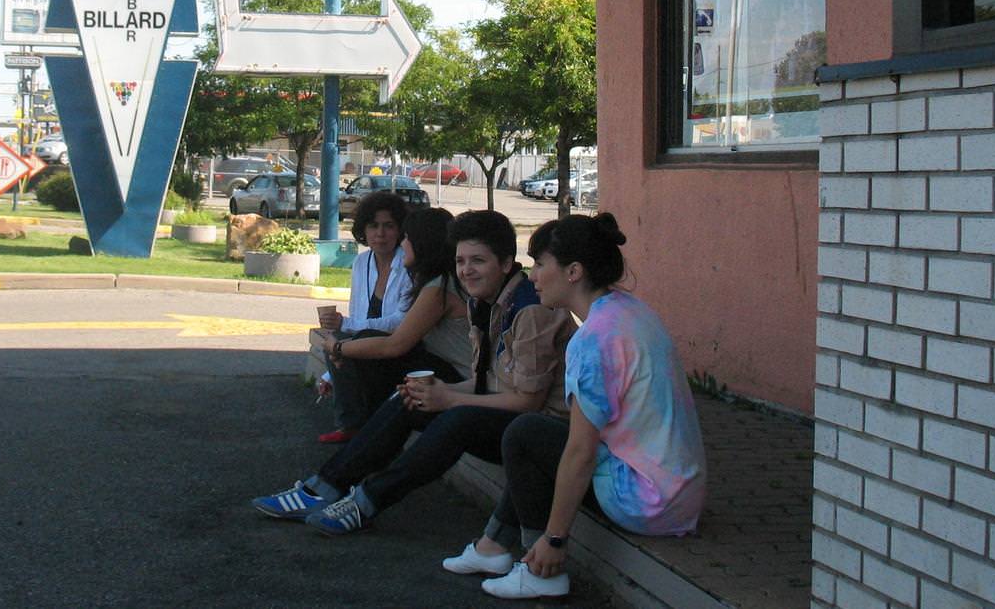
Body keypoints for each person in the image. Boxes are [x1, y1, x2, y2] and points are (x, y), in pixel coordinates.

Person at [253, 210, 577, 537]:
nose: (466, 270)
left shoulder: (530, 309)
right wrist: (438, 392)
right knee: (411, 397)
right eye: (460, 260)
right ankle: (322, 488)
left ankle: (364, 501)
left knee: (455, 417)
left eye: (477, 261)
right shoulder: (487, 302)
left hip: (542, 431)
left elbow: (529, 403)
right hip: (510, 413)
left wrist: (450, 397)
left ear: (506, 263)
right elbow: (490, 380)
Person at [449, 213, 706, 600]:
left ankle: (540, 566)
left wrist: (555, 537)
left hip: (645, 501)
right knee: (541, 434)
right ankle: (493, 545)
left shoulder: (593, 340)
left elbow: (582, 452)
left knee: (526, 434)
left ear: (573, 271)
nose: (532, 276)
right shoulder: (630, 311)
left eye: (539, 264)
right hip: (678, 493)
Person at [319, 208, 470, 433]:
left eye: (406, 237)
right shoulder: (426, 279)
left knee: (370, 352)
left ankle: (362, 431)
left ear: (423, 242)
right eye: (373, 226)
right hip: (438, 366)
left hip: (462, 379)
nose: (402, 244)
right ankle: (361, 429)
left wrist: (339, 348)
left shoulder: (439, 287)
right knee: (364, 346)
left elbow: (395, 344)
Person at [314, 191, 414, 442]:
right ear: (363, 229)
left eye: (388, 226)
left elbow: (400, 322)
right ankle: (350, 426)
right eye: (373, 225)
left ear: (400, 230)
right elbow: (355, 317)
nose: (380, 233)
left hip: (397, 349)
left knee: (347, 337)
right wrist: (329, 375)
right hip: (365, 346)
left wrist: (346, 325)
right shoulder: (361, 263)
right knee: (337, 337)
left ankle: (356, 429)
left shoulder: (408, 264)